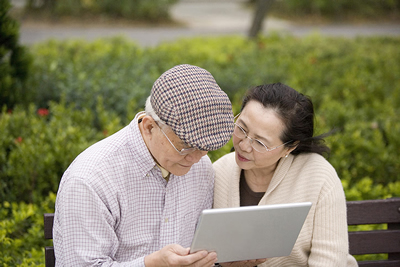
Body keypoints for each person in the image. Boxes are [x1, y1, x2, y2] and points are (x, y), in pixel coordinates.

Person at [53, 64, 235, 266]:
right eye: (185, 146)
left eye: (204, 147)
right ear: (149, 127)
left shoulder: (201, 166)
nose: (196, 159)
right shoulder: (90, 179)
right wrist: (152, 264)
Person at [213, 83, 358, 266]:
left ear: (290, 147)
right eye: (241, 128)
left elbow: (329, 261)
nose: (243, 145)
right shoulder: (219, 172)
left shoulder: (319, 177)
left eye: (260, 143)